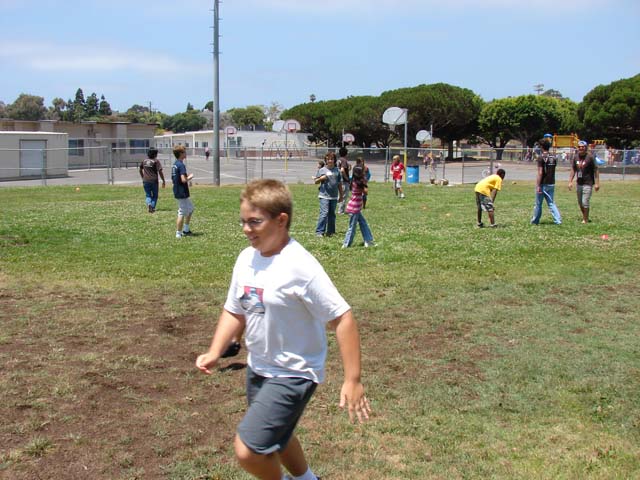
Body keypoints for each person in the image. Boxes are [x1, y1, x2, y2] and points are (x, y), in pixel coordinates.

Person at [196, 179, 371, 480]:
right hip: (260, 367)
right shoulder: (246, 259)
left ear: (281, 220)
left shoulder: (300, 266)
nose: (246, 229)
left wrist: (352, 380)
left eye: (255, 222)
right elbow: (235, 310)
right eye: (243, 222)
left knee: (249, 450)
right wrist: (215, 351)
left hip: (294, 372)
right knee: (278, 435)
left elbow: (342, 318)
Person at [530, 136, 562, 225]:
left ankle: (535, 220)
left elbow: (540, 172)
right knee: (551, 203)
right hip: (551, 183)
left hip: (543, 183)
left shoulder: (541, 158)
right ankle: (558, 220)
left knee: (538, 204)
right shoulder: (554, 157)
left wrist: (538, 185)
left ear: (541, 146)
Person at [342, 165, 375, 248]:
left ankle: (368, 241)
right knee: (352, 227)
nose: (364, 173)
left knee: (363, 223)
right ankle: (346, 244)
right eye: (362, 172)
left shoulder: (353, 181)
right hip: (355, 208)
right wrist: (365, 183)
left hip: (355, 208)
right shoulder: (359, 183)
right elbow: (366, 192)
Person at [568, 140, 600, 223]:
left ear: (586, 148)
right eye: (579, 147)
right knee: (580, 203)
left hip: (588, 183)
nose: (581, 148)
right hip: (579, 183)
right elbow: (573, 169)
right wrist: (570, 181)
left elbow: (596, 170)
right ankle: (585, 216)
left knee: (585, 202)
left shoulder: (590, 157)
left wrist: (597, 183)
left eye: (583, 147)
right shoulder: (576, 157)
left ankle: (585, 219)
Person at [314, 152, 343, 237]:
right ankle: (319, 231)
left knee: (332, 214)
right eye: (328, 159)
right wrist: (321, 178)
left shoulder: (337, 171)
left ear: (334, 160)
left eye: (332, 159)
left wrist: (341, 195)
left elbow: (339, 184)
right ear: (326, 160)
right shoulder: (322, 170)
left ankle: (331, 231)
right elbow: (316, 181)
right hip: (324, 195)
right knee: (324, 213)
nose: (330, 161)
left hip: (334, 196)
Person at [171, 145, 194, 239]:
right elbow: (183, 180)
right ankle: (178, 233)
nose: (185, 153)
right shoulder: (181, 165)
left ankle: (186, 229)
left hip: (178, 189)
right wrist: (190, 177)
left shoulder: (175, 164)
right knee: (182, 212)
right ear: (180, 154)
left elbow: (174, 178)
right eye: (184, 152)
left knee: (191, 209)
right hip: (181, 191)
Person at [139, 147, 165, 213]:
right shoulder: (156, 161)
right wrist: (163, 180)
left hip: (145, 180)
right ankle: (152, 207)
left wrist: (143, 177)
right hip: (154, 181)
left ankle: (149, 204)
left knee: (148, 195)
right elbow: (160, 171)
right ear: (155, 154)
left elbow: (140, 169)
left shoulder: (144, 161)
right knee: (155, 195)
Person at [337, 147, 351, 214]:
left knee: (340, 195)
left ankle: (335, 207)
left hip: (339, 180)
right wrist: (347, 178)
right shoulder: (344, 160)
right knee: (343, 196)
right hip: (343, 181)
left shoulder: (338, 160)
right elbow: (342, 170)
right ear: (346, 153)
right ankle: (341, 211)